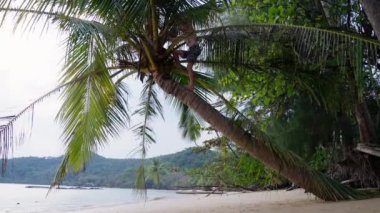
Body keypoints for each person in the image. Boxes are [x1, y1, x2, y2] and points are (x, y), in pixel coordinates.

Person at [173, 23, 202, 91]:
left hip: (195, 49)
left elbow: (187, 23)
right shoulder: (184, 34)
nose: (180, 28)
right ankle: (178, 64)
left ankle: (191, 85)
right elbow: (175, 39)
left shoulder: (189, 30)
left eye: (181, 26)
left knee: (189, 67)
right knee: (175, 52)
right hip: (190, 51)